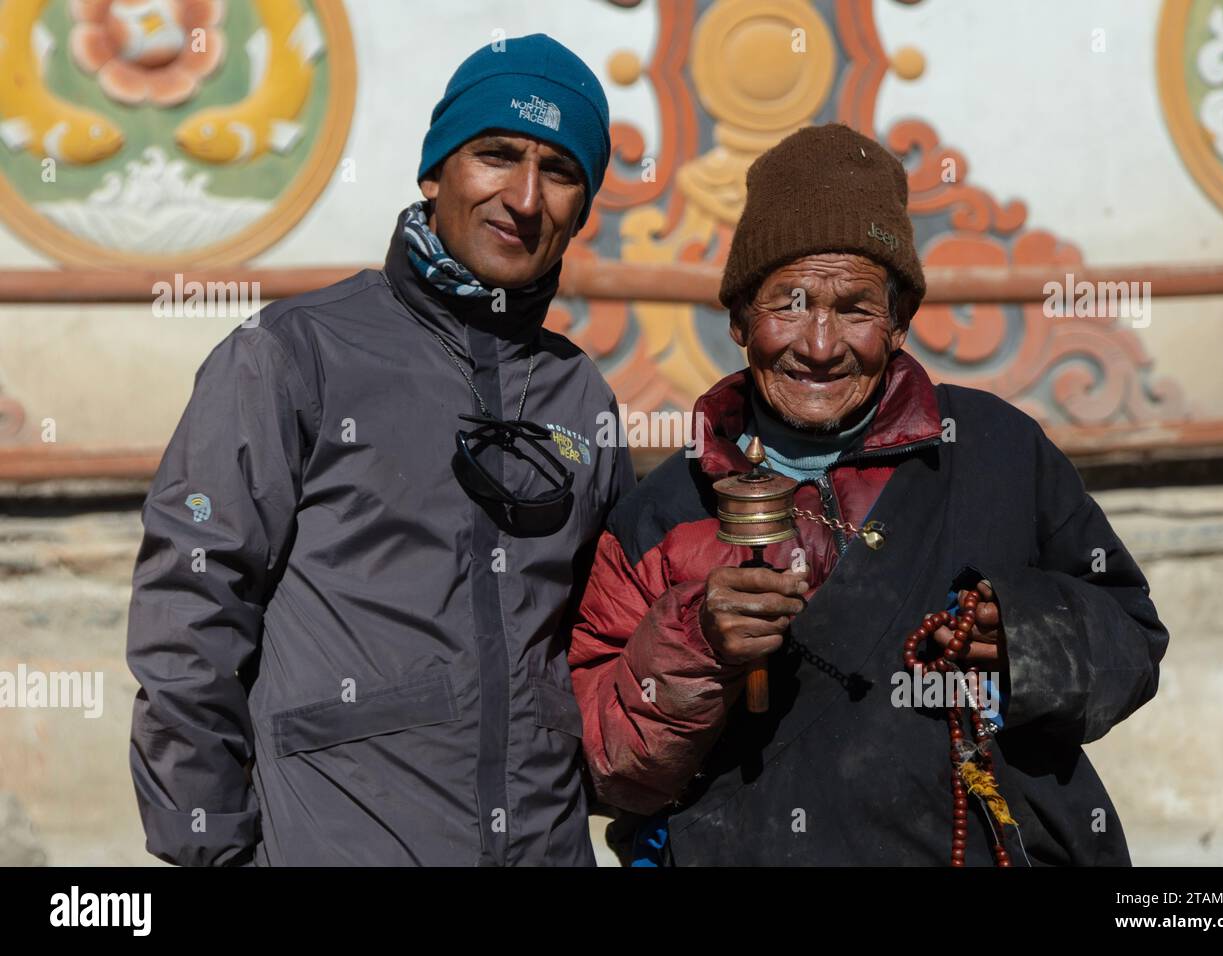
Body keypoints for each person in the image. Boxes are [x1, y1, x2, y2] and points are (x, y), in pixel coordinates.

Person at [567, 122, 1168, 866]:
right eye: (788, 303)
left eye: (854, 307)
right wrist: (698, 647)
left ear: (900, 324)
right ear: (738, 321)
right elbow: (609, 769)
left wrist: (1024, 638)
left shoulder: (996, 452)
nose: (820, 345)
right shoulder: (663, 513)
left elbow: (1132, 638)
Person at [126, 33, 633, 866]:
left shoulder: (583, 398)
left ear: (583, 206)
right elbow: (189, 614)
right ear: (435, 173)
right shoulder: (294, 354)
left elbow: (602, 643)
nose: (526, 196)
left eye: (563, 171)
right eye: (496, 155)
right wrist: (211, 850)